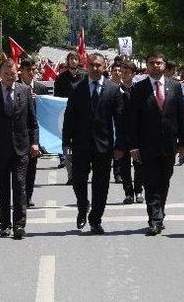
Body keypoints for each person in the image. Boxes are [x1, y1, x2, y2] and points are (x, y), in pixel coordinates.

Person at [62, 53, 124, 234]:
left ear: (104, 67)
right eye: (92, 65)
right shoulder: (77, 87)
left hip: (104, 146)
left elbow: (120, 120)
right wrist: (66, 142)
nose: (95, 68)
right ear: (86, 66)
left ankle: (96, 219)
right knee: (78, 180)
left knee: (101, 184)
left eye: (98, 65)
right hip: (80, 144)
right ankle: (83, 206)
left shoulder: (113, 89)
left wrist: (120, 145)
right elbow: (69, 117)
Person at [0, 59, 40, 239]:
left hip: (21, 149)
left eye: (13, 73)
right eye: (6, 73)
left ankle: (19, 225)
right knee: (2, 188)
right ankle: (5, 224)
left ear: (17, 73)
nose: (10, 76)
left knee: (20, 186)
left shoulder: (25, 91)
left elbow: (32, 122)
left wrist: (34, 142)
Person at [130, 52, 184, 236]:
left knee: (164, 181)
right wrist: (134, 146)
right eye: (152, 63)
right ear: (147, 66)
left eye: (159, 63)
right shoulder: (138, 88)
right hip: (147, 145)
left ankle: (159, 211)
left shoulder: (175, 86)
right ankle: (154, 219)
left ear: (164, 65)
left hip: (169, 144)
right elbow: (133, 120)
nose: (156, 66)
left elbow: (182, 117)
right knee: (151, 182)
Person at [19, 58, 48, 207]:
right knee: (19, 168)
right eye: (28, 70)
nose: (31, 73)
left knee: (31, 167)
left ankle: (28, 196)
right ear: (21, 71)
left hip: (34, 132)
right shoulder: (16, 87)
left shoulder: (41, 88)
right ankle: (19, 196)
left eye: (34, 70)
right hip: (19, 133)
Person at [54, 51, 86, 173]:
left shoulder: (85, 76)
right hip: (66, 116)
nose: (73, 61)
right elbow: (57, 97)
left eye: (75, 59)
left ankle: (82, 171)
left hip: (83, 116)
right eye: (71, 59)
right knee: (67, 145)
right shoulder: (61, 77)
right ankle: (70, 174)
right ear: (67, 61)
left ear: (79, 61)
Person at [118, 61, 143, 204]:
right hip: (122, 133)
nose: (124, 74)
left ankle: (139, 190)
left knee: (139, 163)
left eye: (127, 72)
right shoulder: (115, 91)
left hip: (138, 134)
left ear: (134, 74)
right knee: (124, 165)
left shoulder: (139, 90)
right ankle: (128, 193)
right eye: (122, 72)